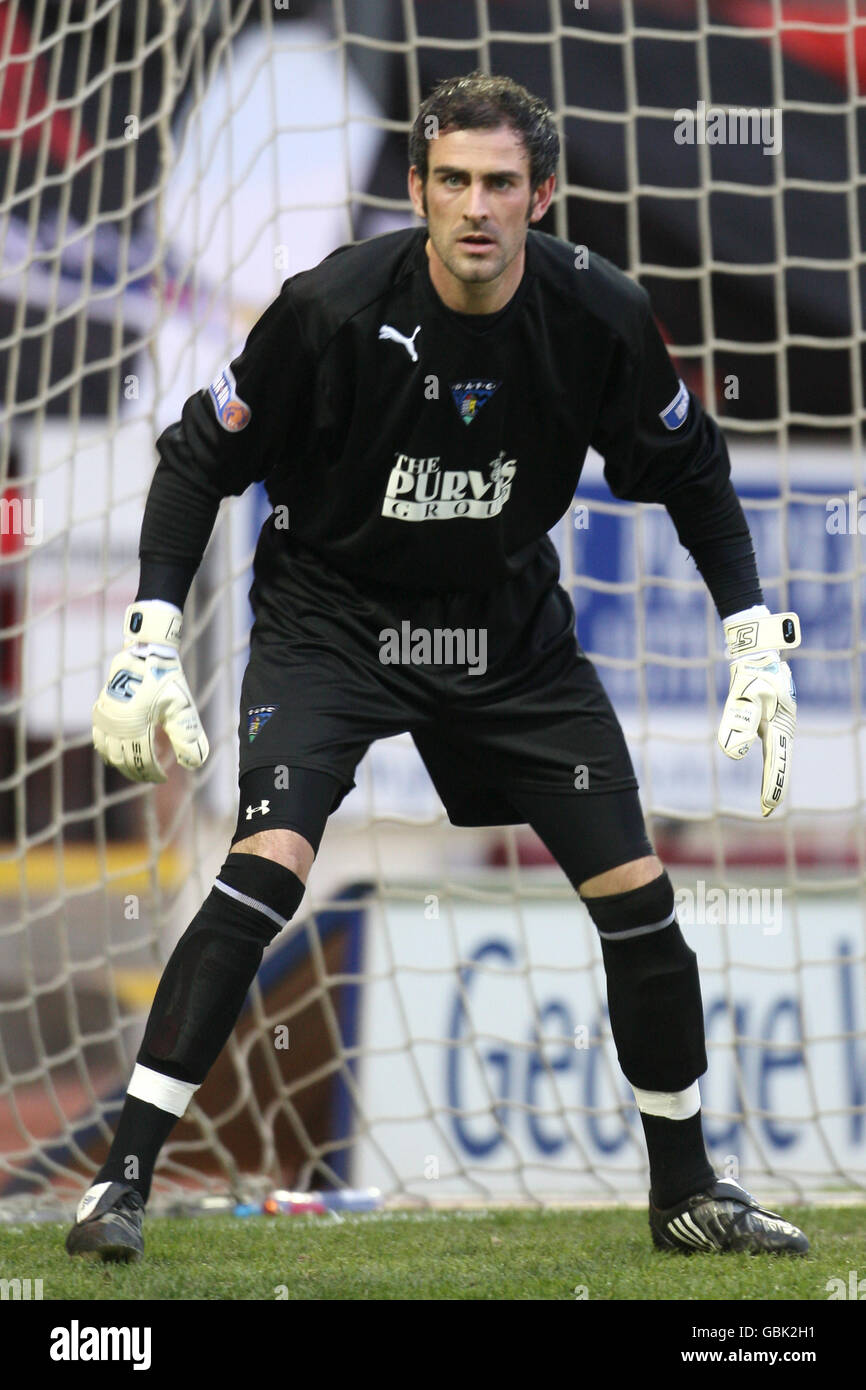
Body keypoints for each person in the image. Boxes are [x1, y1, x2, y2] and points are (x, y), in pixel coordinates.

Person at [66, 72, 805, 1262]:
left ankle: (685, 1192)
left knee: (639, 898)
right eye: (451, 180)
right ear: (414, 191)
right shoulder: (331, 307)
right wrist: (151, 629)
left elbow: (695, 475)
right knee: (265, 867)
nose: (475, 206)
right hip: (330, 622)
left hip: (506, 638)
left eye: (499, 183)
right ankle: (121, 1181)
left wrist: (748, 638)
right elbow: (198, 456)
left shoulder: (595, 316)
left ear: (541, 197)